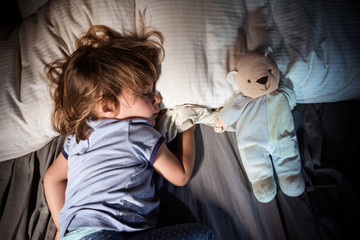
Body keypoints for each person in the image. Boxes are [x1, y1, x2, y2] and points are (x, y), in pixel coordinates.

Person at [43, 19, 214, 240]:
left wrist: (62, 227)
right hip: (112, 234)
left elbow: (51, 179)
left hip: (76, 234)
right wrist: (187, 124)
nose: (157, 99)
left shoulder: (78, 136)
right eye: (145, 93)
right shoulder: (137, 131)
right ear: (106, 105)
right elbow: (180, 175)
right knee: (202, 234)